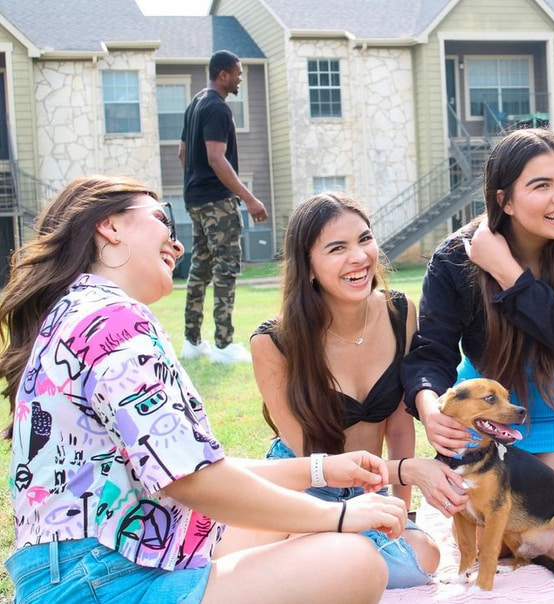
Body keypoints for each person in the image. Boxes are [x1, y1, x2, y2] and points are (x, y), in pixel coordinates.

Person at [1, 176, 408, 604]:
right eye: (164, 220)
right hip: (104, 581)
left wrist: (320, 471)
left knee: (291, 516)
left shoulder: (79, 310)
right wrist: (339, 514)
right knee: (353, 562)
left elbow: (189, 464)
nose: (177, 247)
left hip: (91, 567)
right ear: (111, 227)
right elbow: (194, 481)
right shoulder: (114, 321)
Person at [400, 128, 554, 551]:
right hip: (486, 417)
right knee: (492, 536)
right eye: (541, 185)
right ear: (503, 199)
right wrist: (432, 411)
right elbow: (431, 354)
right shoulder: (455, 258)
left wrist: (508, 272)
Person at [249, 192, 469, 588]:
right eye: (337, 248)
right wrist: (409, 470)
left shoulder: (400, 313)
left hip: (370, 486)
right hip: (306, 486)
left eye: (364, 240)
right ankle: (293, 545)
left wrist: (399, 514)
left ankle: (314, 559)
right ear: (309, 267)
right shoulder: (274, 343)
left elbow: (401, 428)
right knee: (378, 566)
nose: (359, 258)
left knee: (424, 558)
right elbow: (305, 457)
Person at [178, 49, 267, 364]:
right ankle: (224, 345)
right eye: (239, 72)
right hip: (216, 202)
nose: (241, 77)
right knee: (226, 269)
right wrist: (249, 198)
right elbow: (216, 158)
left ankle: (191, 342)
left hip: (195, 201)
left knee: (200, 269)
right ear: (224, 75)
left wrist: (196, 185)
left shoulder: (195, 104)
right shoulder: (217, 108)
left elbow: (182, 154)